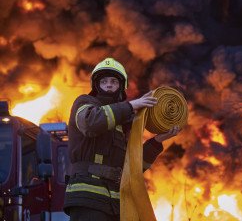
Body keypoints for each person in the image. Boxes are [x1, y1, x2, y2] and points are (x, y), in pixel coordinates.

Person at [63, 57, 181, 220]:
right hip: (87, 199)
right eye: (104, 81)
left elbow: (133, 167)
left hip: (115, 203)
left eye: (113, 81)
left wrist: (158, 140)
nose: (109, 84)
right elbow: (91, 124)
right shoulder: (85, 103)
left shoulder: (124, 125)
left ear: (121, 87)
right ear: (96, 85)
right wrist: (132, 106)